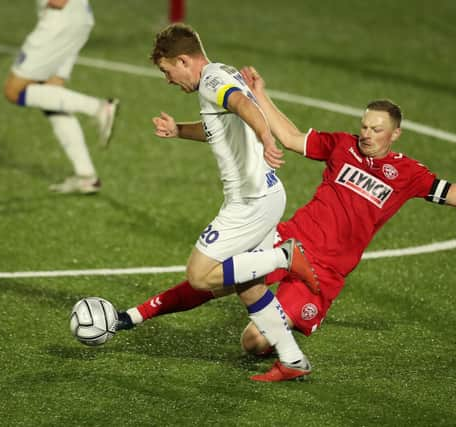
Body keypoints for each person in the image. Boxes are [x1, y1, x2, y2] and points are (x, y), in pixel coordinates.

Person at [115, 65, 456, 382]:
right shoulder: (342, 145)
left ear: (395, 134)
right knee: (216, 275)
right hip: (292, 237)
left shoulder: (408, 173)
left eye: (376, 130)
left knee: (252, 342)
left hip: (326, 272)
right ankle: (135, 315)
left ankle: (284, 337)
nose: (367, 134)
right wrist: (261, 95)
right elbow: (289, 137)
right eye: (365, 126)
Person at [117, 23, 321, 381]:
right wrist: (180, 130)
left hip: (249, 203)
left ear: (183, 60)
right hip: (267, 194)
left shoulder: (212, 81)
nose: (167, 80)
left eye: (167, 71)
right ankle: (292, 359)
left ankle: (284, 256)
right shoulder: (220, 73)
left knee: (198, 276)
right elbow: (220, 127)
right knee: (248, 283)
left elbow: (243, 105)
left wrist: (266, 137)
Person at [3, 0, 119, 194]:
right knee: (51, 94)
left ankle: (99, 108)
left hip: (58, 22)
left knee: (14, 91)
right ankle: (86, 176)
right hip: (78, 19)